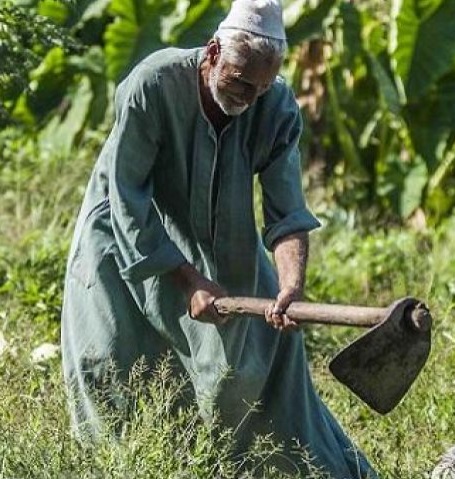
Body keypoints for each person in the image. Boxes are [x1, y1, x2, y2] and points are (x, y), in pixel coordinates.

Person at [60, 0, 376, 477]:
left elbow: (287, 211)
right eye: (241, 82)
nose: (249, 98)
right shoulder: (154, 84)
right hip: (124, 237)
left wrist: (291, 284)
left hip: (217, 236)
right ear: (212, 54)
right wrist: (190, 282)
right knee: (113, 357)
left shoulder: (275, 106)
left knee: (265, 356)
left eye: (262, 87)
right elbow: (128, 196)